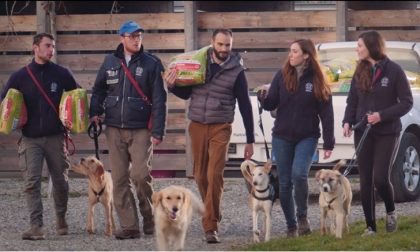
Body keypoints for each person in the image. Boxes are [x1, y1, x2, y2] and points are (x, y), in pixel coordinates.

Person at [163, 28, 255, 243]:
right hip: (197, 124)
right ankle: (213, 211)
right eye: (221, 44)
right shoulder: (198, 63)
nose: (224, 49)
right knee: (200, 174)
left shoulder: (237, 71)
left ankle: (210, 225)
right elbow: (186, 93)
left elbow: (245, 105)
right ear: (212, 42)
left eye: (228, 45)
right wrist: (172, 86)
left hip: (220, 126)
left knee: (214, 174)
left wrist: (250, 139)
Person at [89, 20, 166, 240]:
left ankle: (150, 218)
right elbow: (98, 90)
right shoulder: (109, 61)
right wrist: (94, 113)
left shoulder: (152, 63)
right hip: (113, 128)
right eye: (131, 36)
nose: (136, 39)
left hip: (141, 129)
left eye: (139, 35)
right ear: (121, 38)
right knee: (120, 179)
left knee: (141, 176)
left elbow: (160, 100)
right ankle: (130, 226)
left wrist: (158, 131)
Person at [0, 33, 79, 240]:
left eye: (52, 46)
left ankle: (61, 218)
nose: (50, 50)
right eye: (47, 46)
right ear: (35, 47)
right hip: (30, 138)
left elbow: (77, 100)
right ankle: (37, 226)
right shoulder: (19, 76)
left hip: (56, 137)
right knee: (31, 181)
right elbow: (5, 104)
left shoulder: (62, 74)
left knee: (61, 182)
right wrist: (12, 120)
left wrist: (75, 119)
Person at [258, 39, 335, 238]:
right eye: (290, 51)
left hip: (307, 136)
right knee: (284, 183)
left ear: (306, 55)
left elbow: (326, 113)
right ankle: (291, 225)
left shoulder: (317, 79)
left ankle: (302, 216)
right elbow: (271, 104)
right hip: (281, 136)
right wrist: (263, 99)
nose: (290, 55)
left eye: (294, 51)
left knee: (299, 174)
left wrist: (328, 141)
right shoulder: (281, 75)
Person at [342, 31, 413, 236]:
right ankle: (370, 226)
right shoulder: (360, 70)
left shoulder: (394, 71)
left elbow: (406, 102)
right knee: (364, 180)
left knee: (380, 178)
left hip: (387, 132)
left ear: (372, 47)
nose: (357, 49)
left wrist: (382, 115)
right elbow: (352, 100)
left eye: (360, 46)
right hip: (363, 131)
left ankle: (391, 212)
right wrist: (347, 121)